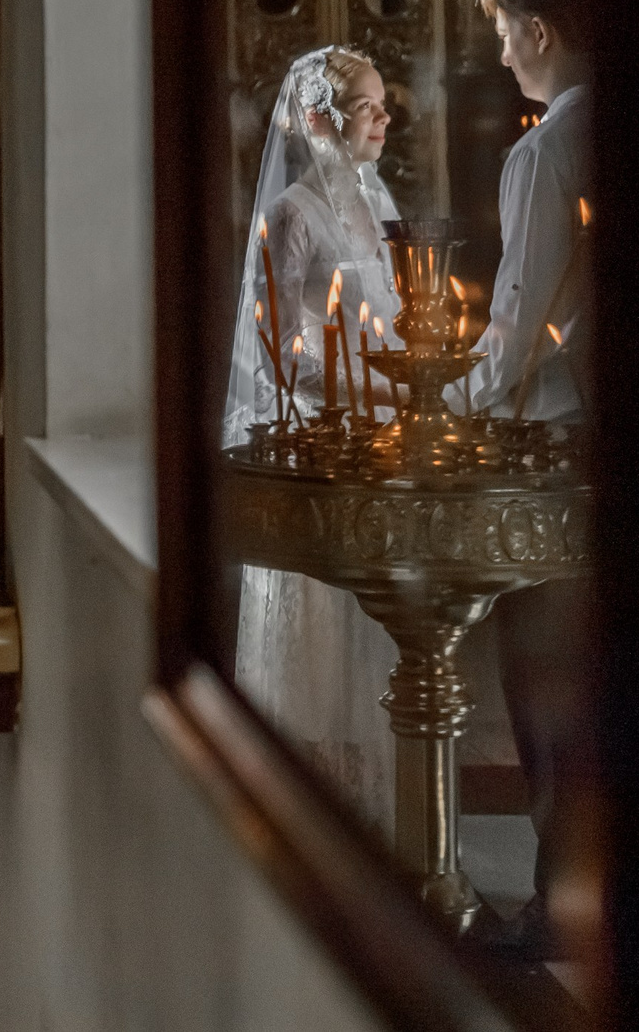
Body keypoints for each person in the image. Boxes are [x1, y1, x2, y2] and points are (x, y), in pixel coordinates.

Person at [225, 45, 404, 830]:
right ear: (318, 120)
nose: (384, 118)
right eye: (367, 107)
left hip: (383, 440)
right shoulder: (292, 212)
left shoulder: (378, 198)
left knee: (376, 634)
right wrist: (377, 384)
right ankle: (313, 814)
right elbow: (276, 346)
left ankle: (378, 813)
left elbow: (396, 316)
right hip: (323, 443)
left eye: (382, 104)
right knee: (320, 641)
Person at [462, 0, 591, 959]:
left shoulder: (549, 149)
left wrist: (450, 398)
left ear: (541, 31)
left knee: (544, 682)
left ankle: (558, 901)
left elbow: (519, 322)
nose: (499, 46)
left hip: (550, 446)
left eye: (506, 27)